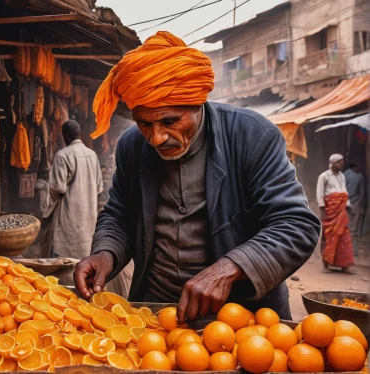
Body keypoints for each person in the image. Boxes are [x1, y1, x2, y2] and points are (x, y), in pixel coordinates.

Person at [74, 31, 320, 322]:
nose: (156, 138)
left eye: (169, 121)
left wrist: (228, 268)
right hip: (154, 315)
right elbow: (119, 215)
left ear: (197, 103)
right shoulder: (131, 146)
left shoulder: (253, 136)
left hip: (240, 320)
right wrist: (106, 252)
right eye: (143, 123)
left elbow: (296, 225)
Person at [25, 120, 103, 260]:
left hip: (68, 215)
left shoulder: (63, 155)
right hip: (88, 217)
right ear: (79, 134)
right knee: (85, 254)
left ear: (65, 136)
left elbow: (58, 188)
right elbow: (98, 188)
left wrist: (47, 212)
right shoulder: (92, 155)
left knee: (63, 255)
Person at [316, 154, 356, 274]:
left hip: (341, 210)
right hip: (330, 210)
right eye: (340, 162)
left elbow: (344, 192)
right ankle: (326, 264)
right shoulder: (324, 176)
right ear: (333, 163)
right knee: (328, 236)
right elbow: (320, 193)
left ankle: (345, 265)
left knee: (344, 236)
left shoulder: (342, 176)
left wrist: (348, 206)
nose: (342, 164)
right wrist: (322, 210)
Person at [344, 163, 364, 252]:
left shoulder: (344, 174)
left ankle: (346, 246)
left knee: (345, 225)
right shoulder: (359, 177)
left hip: (344, 202)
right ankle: (353, 248)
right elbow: (362, 192)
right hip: (355, 203)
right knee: (354, 226)